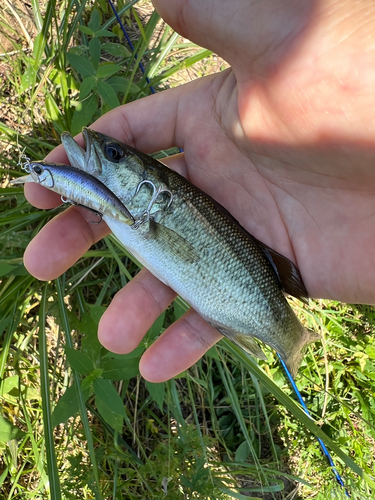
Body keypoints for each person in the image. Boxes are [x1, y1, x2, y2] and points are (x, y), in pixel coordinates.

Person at [23, 0, 375, 382]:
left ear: (149, 191)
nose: (102, 152)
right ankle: (291, 339)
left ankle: (292, 339)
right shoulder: (127, 206)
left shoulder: (139, 210)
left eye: (113, 155)